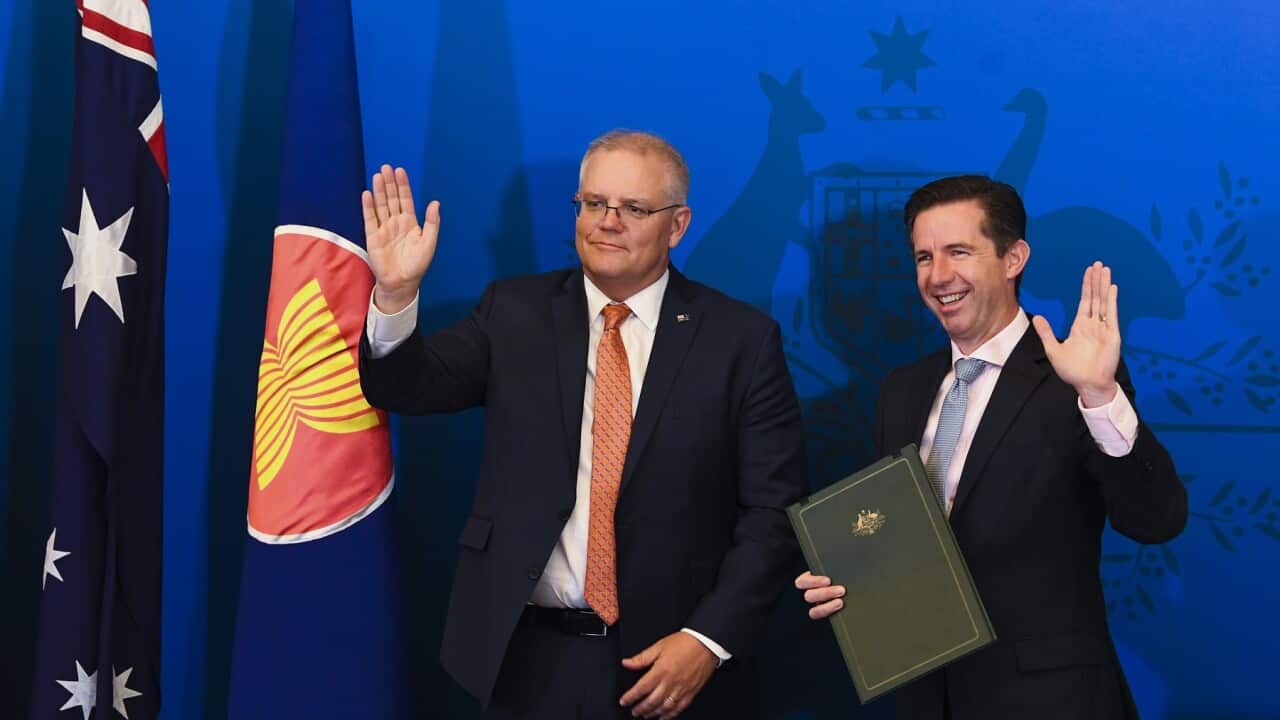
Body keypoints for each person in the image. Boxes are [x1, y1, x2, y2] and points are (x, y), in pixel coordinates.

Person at [358, 130, 807, 719]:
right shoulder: (513, 313)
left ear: (677, 225)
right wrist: (395, 294)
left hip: (667, 666)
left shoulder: (740, 341)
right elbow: (405, 386)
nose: (607, 222)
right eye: (593, 204)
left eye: (634, 209)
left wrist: (707, 640)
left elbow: (774, 510)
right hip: (523, 660)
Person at [796, 175, 1186, 719]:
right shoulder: (902, 390)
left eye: (959, 252)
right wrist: (849, 579)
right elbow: (903, 538)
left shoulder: (1074, 377)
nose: (939, 276)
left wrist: (1099, 394)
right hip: (922, 695)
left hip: (1049, 700)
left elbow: (1155, 519)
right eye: (924, 257)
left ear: (1013, 258)